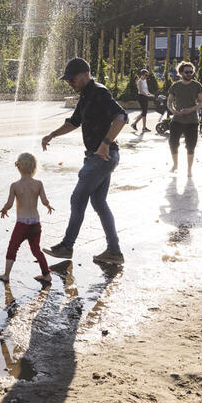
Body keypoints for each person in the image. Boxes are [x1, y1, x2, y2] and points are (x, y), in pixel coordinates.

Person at [41, 58, 127, 265]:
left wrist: (105, 143)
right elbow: (74, 122)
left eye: (72, 79)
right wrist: (52, 135)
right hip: (100, 157)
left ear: (85, 75)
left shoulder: (99, 92)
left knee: (77, 199)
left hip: (101, 157)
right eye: (67, 80)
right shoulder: (86, 95)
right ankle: (114, 252)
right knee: (98, 202)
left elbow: (121, 116)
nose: (69, 82)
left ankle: (67, 246)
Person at [0, 152, 54, 285]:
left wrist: (4, 209)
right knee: (36, 250)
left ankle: (6, 275)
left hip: (22, 224)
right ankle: (46, 275)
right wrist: (48, 206)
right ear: (34, 168)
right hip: (35, 223)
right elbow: (44, 200)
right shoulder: (38, 184)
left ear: (18, 167)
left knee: (13, 248)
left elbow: (10, 204)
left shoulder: (15, 185)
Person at [166, 61, 202, 176]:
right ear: (181, 72)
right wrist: (172, 110)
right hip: (177, 120)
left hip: (192, 121)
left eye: (191, 71)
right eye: (187, 72)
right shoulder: (175, 86)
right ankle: (175, 165)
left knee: (191, 146)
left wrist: (191, 109)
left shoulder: (197, 85)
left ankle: (189, 169)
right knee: (173, 143)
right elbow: (169, 102)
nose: (189, 74)